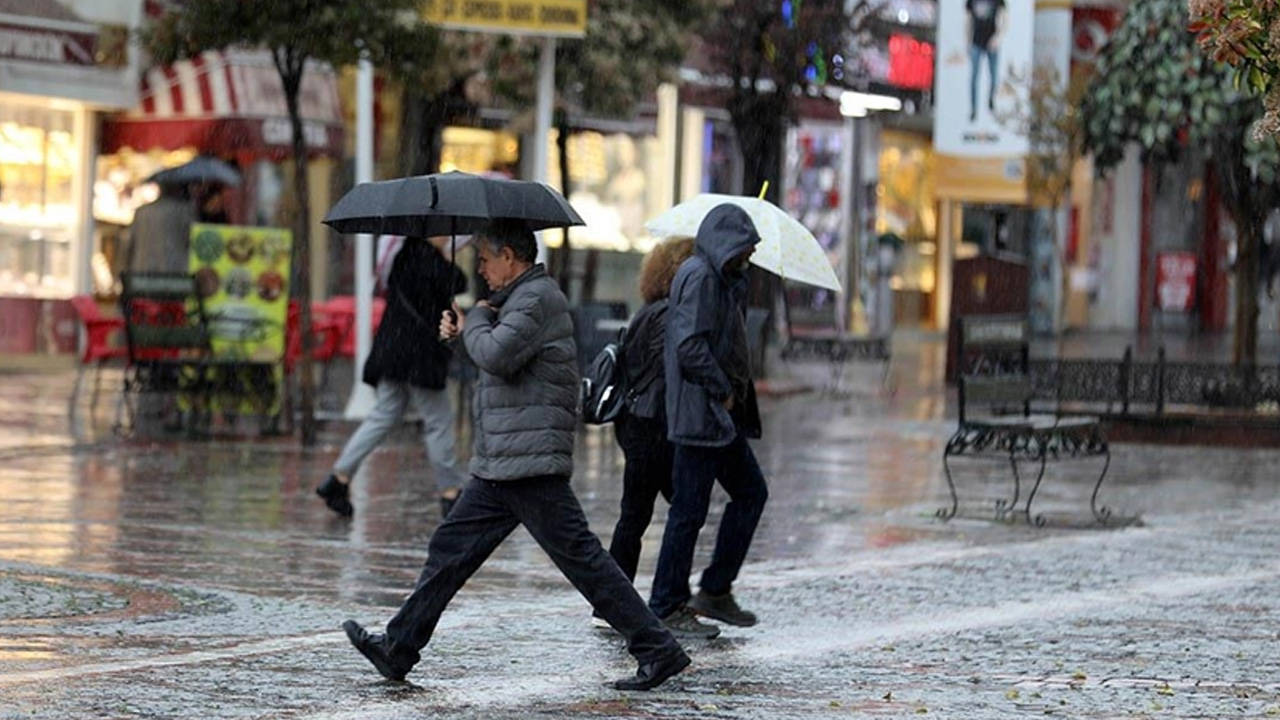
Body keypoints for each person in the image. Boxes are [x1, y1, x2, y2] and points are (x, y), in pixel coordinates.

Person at [342, 220, 690, 692]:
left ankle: (658, 648)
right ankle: (399, 646)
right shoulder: (514, 301)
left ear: (509, 256)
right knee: (451, 549)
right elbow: (494, 361)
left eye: (484, 259)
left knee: (583, 560)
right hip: (504, 458)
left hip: (528, 458)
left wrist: (475, 321)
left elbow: (499, 354)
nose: (480, 269)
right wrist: (462, 332)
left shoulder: (537, 299)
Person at [647, 204, 769, 639]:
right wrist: (722, 387)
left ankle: (714, 588)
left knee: (749, 493)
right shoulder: (700, 277)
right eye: (746, 248)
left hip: (719, 417)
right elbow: (689, 345)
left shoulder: (721, 279)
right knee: (689, 512)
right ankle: (666, 602)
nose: (750, 256)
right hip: (703, 413)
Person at [316, 236, 467, 519]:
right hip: (418, 357)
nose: (448, 236)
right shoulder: (431, 261)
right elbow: (459, 281)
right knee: (438, 420)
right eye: (442, 232)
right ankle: (450, 493)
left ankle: (339, 477)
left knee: (383, 415)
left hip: (392, 350)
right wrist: (446, 257)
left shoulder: (402, 256)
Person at [592, 237, 695, 631]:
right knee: (680, 511)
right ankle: (665, 600)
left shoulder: (651, 311)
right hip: (655, 428)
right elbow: (667, 373)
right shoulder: (669, 315)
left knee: (635, 517)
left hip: (638, 425)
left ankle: (614, 603)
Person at [126, 182, 195, 274]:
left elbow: (131, 244)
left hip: (141, 271)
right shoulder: (185, 211)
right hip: (175, 271)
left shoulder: (141, 212)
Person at [965, 0, 1007, 123]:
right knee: (974, 77)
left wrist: (998, 37)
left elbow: (1005, 18)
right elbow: (968, 21)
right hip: (976, 42)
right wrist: (967, 41)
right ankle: (973, 109)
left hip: (991, 42)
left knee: (994, 76)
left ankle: (991, 100)